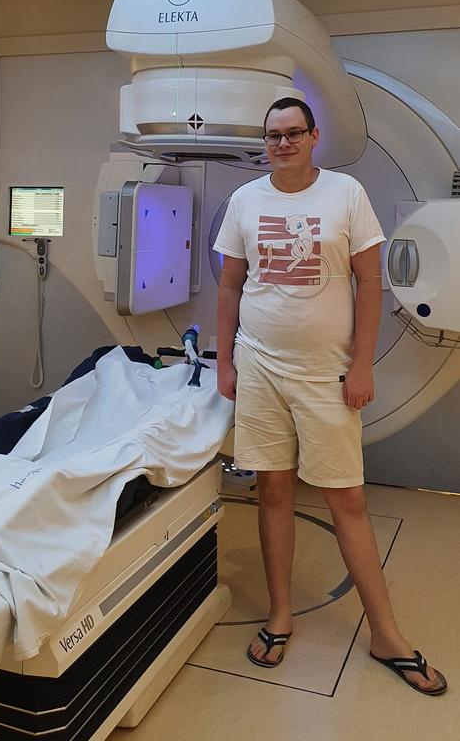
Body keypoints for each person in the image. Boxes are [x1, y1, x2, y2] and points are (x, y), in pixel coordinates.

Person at [214, 97, 446, 696]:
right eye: (273, 135)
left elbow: (371, 282)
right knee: (272, 490)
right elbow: (230, 287)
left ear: (314, 136)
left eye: (293, 133)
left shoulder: (345, 195)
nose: (282, 143)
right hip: (259, 365)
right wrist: (226, 363)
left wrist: (362, 366)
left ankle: (386, 633)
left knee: (345, 498)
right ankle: (280, 615)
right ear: (264, 143)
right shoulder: (246, 201)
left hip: (326, 374)